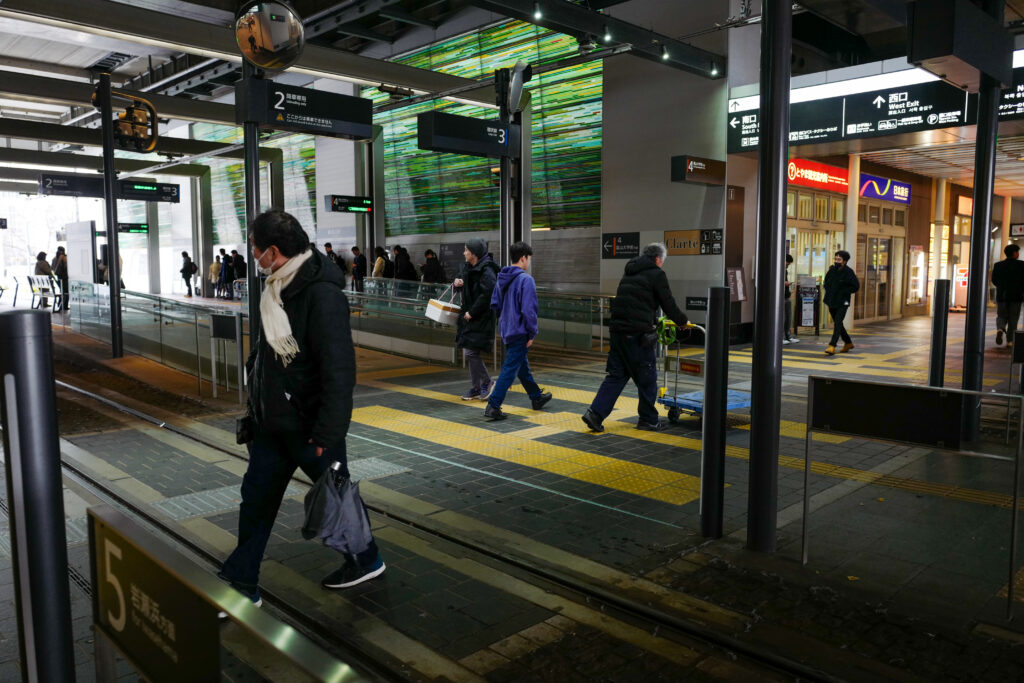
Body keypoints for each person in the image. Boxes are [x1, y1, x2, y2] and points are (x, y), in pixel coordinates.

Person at [219, 209, 384, 606]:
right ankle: (242, 582)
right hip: (272, 425)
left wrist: (328, 434)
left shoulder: (320, 293)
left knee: (337, 500)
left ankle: (365, 559)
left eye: (255, 250)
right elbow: (270, 357)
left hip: (311, 429)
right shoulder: (278, 286)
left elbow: (339, 370)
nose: (253, 257)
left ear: (272, 252)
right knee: (256, 500)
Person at [582, 242, 688, 433]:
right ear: (657, 259)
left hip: (617, 332)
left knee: (617, 375)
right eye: (662, 261)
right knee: (647, 376)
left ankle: (595, 414)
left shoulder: (630, 271)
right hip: (637, 334)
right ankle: (648, 420)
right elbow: (668, 302)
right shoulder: (657, 274)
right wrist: (682, 321)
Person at [483, 241, 552, 420]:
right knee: (510, 368)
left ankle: (536, 397)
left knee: (520, 365)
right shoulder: (525, 279)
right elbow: (529, 310)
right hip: (520, 330)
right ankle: (493, 405)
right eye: (528, 258)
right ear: (523, 258)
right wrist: (532, 332)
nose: (528, 262)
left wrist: (506, 320)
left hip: (507, 328)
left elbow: (495, 304)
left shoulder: (501, 277)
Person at [454, 238, 499, 401]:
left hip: (481, 317)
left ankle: (487, 382)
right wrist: (457, 283)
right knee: (469, 350)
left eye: (466, 250)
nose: (464, 252)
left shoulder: (487, 270)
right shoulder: (468, 267)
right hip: (469, 317)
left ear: (474, 253)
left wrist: (471, 313)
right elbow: (459, 285)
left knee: (472, 351)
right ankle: (476, 387)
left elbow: (488, 294)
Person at [823, 250, 859, 355]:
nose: (836, 261)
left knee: (838, 323)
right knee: (838, 324)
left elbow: (855, 286)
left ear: (844, 261)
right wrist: (829, 290)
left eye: (839, 259)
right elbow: (826, 282)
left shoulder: (849, 272)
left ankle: (832, 345)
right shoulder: (832, 270)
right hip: (831, 301)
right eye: (836, 259)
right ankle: (848, 343)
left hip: (843, 302)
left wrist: (843, 291)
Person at [992, 244, 1024, 347]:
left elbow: (994, 280)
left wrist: (1002, 287)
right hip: (1016, 296)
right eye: (1017, 252)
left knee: (1001, 315)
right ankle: (1010, 341)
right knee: (1013, 319)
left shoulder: (998, 265)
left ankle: (1000, 329)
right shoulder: (1021, 265)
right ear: (1015, 253)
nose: (1018, 254)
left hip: (1002, 296)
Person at [783, 254, 798, 345]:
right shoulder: (777, 269)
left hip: (786, 296)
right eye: (787, 264)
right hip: (781, 297)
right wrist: (785, 283)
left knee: (788, 317)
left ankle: (788, 336)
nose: (787, 266)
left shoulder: (785, 271)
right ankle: (782, 337)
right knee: (782, 318)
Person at [51, 246, 69, 311]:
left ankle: (60, 304)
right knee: (66, 291)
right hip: (65, 276)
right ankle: (64, 305)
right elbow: (66, 267)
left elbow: (52, 268)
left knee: (62, 290)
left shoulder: (54, 258)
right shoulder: (64, 258)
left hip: (58, 277)